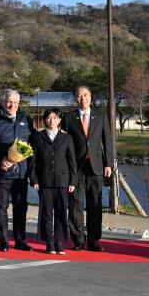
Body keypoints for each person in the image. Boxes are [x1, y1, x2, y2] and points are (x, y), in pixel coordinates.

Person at [60, 85, 115, 252]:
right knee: (75, 204)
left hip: (96, 167)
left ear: (90, 97)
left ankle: (93, 240)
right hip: (75, 168)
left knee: (95, 205)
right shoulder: (68, 118)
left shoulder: (101, 116)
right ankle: (77, 239)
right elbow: (64, 144)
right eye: (78, 96)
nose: (82, 99)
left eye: (85, 95)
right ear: (75, 99)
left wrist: (108, 164)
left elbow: (108, 141)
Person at [0, 89, 35, 252]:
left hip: (21, 174)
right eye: (9, 102)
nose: (12, 105)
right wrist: (0, 160)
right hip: (1, 173)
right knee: (0, 208)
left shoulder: (26, 119)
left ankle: (20, 240)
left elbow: (33, 143)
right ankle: (3, 241)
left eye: (16, 102)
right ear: (2, 101)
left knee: (21, 208)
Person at [31, 108, 77, 255]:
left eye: (55, 117)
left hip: (63, 180)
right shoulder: (38, 137)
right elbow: (34, 161)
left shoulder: (67, 138)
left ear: (59, 120)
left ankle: (60, 242)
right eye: (49, 118)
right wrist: (34, 179)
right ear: (45, 120)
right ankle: (49, 242)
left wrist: (72, 181)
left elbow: (72, 162)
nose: (52, 120)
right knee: (46, 213)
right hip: (44, 181)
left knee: (61, 212)